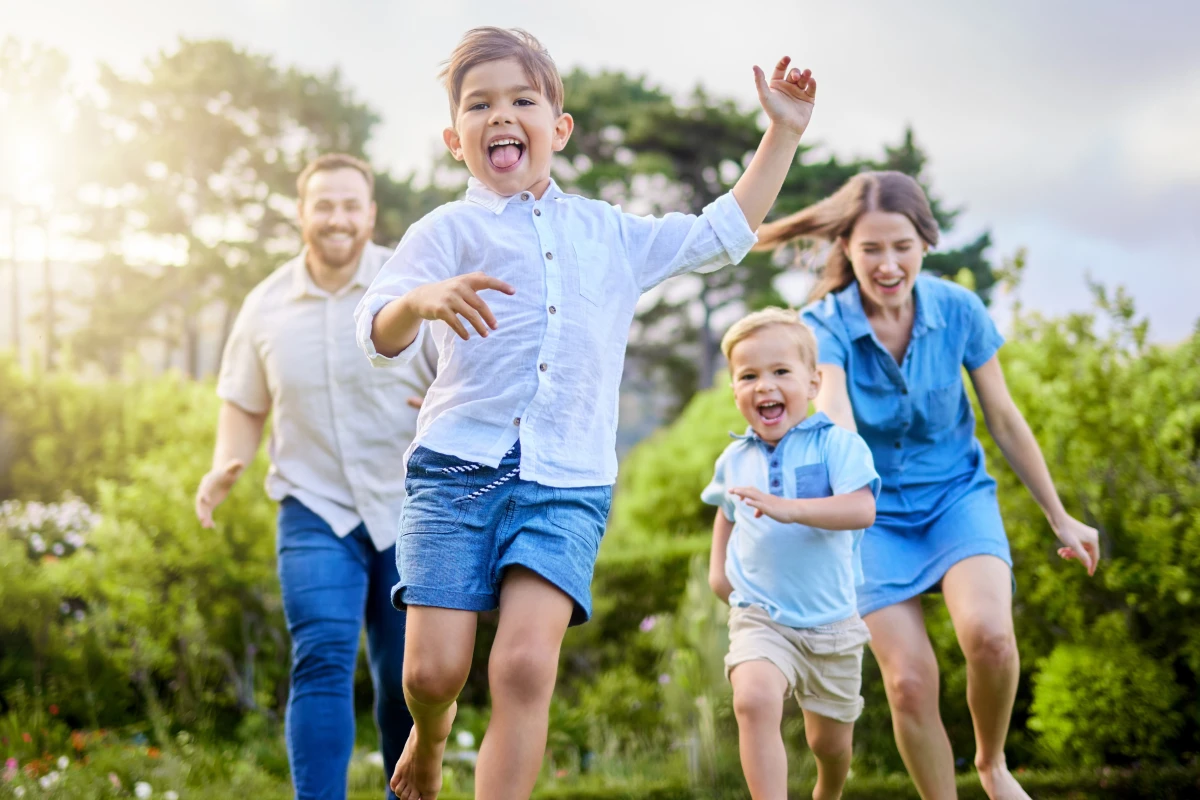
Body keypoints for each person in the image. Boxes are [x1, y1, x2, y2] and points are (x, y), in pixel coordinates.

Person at [353, 26, 819, 800]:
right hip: (454, 471)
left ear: (558, 128)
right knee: (433, 673)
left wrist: (783, 132)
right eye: (480, 105)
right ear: (454, 137)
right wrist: (419, 300)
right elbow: (375, 332)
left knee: (526, 666)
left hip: (566, 481)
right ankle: (429, 740)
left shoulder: (610, 233)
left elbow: (722, 235)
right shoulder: (446, 230)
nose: (501, 116)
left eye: (521, 100)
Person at [753, 170, 1100, 800]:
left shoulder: (958, 310)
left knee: (990, 637)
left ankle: (992, 764)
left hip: (955, 499)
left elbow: (1003, 417)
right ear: (847, 251)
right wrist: (837, 464)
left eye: (902, 247)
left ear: (925, 244)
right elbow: (832, 408)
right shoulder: (823, 323)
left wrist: (1060, 516)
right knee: (909, 682)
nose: (888, 265)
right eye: (871, 250)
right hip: (873, 516)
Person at [194, 153, 436, 800]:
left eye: (350, 205)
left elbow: (464, 375)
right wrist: (224, 466)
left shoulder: (409, 281)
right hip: (313, 506)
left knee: (405, 679)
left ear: (370, 214)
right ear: (302, 213)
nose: (337, 218)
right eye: (323, 205)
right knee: (322, 659)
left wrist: (453, 411)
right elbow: (244, 402)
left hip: (410, 507)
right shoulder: (266, 305)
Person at [703, 308, 880, 800]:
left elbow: (862, 508)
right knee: (754, 699)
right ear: (735, 390)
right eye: (749, 376)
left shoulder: (839, 446)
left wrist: (790, 509)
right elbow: (725, 509)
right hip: (762, 616)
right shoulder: (734, 457)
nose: (765, 386)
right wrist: (720, 572)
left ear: (813, 381)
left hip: (832, 625)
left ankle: (829, 790)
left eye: (781, 372)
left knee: (828, 743)